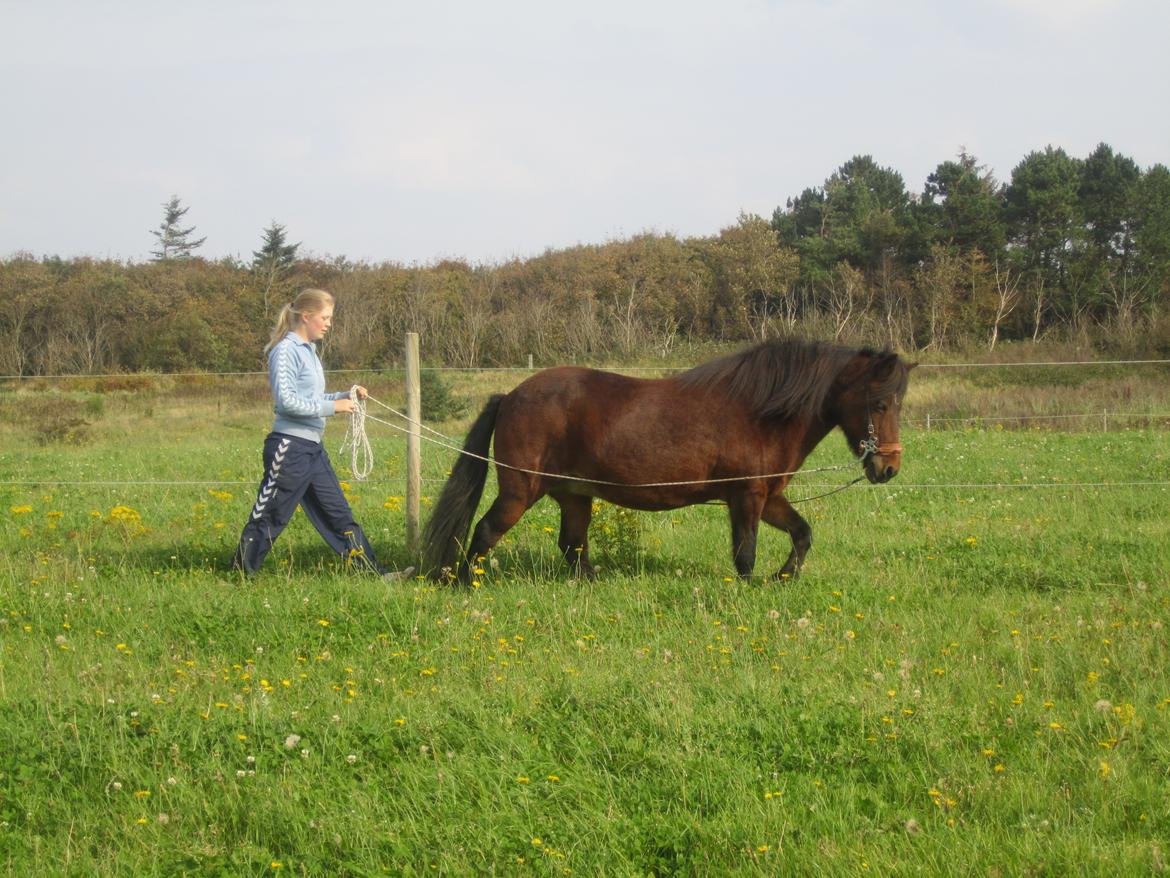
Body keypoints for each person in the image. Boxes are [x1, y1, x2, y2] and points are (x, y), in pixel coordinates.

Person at [232, 288, 412, 579]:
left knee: (338, 514)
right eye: (325, 318)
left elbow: (314, 396)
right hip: (289, 447)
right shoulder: (285, 350)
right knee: (270, 515)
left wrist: (345, 396)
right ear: (306, 316)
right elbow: (286, 401)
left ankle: (372, 574)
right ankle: (241, 574)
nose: (328, 324)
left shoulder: (310, 351)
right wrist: (334, 407)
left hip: (311, 449)